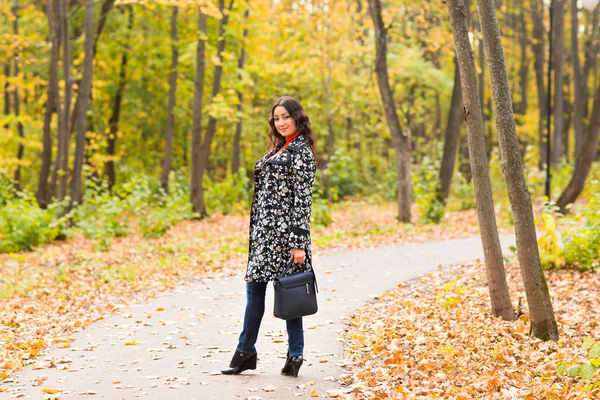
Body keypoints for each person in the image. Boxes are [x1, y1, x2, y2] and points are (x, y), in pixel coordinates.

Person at [221, 96, 317, 378]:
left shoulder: (302, 151)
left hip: (286, 238)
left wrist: (299, 242)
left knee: (291, 293)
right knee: (256, 290)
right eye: (277, 118)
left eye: (286, 116)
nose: (281, 122)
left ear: (297, 117)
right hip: (264, 237)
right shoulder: (279, 148)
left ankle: (293, 355)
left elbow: (303, 199)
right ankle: (247, 353)